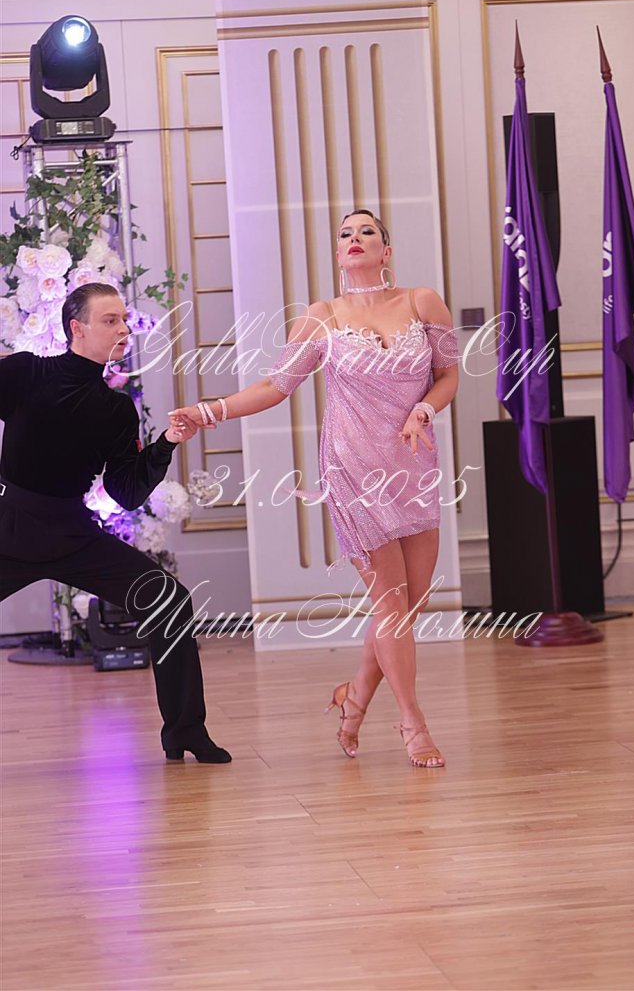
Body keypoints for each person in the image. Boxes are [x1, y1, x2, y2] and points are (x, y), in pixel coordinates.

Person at [170, 209, 459, 768]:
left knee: (411, 602)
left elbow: (448, 375)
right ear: (338, 253)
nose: (354, 238)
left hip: (413, 464)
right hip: (352, 468)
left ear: (386, 250)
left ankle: (354, 698)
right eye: (345, 233)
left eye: (366, 231)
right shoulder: (322, 317)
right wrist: (208, 411)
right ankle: (412, 723)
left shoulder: (423, 301)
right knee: (392, 604)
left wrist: (423, 409)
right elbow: (276, 386)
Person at [0, 282, 231, 764]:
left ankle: (185, 731)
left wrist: (167, 442)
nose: (124, 329)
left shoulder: (115, 409)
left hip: (72, 535)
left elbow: (125, 491)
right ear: (77, 328)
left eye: (125, 320)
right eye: (110, 320)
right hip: (12, 528)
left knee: (169, 601)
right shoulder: (25, 373)